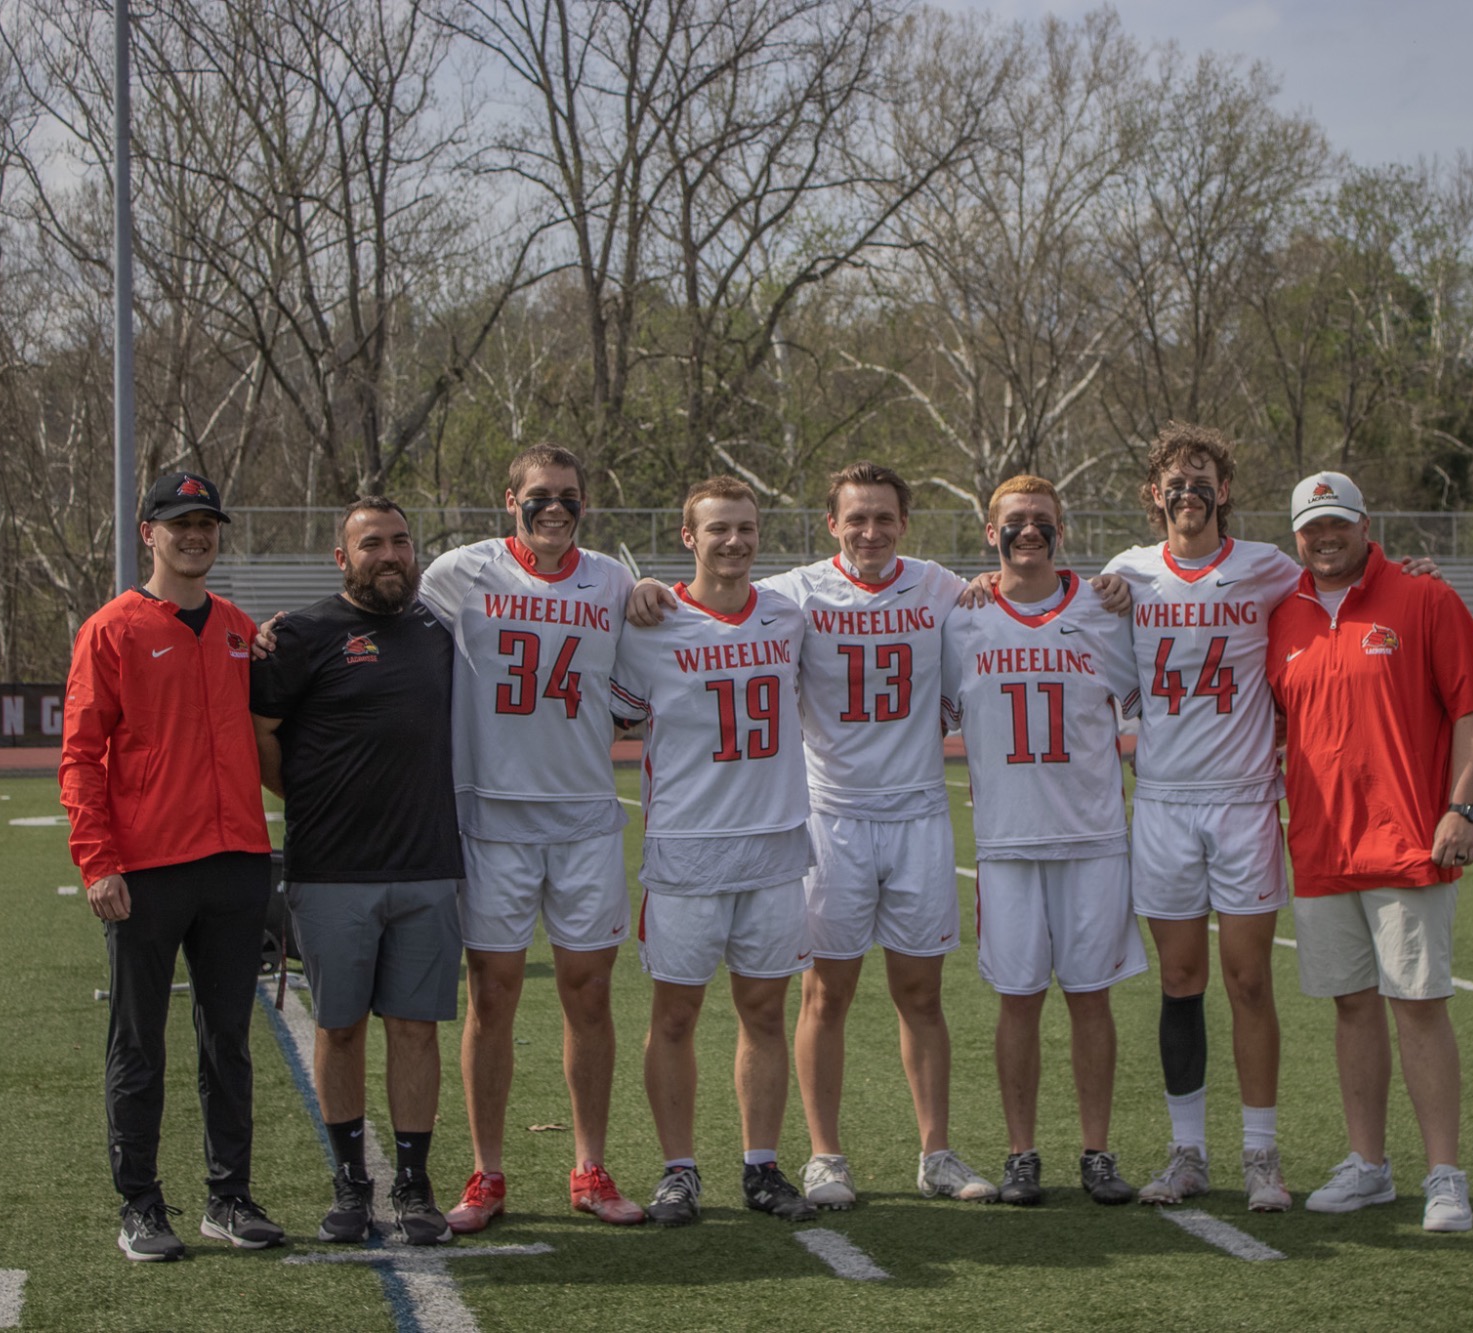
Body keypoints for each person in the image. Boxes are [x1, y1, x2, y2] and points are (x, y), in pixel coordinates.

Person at [625, 462, 1131, 1209]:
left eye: (884, 518)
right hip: (830, 816)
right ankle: (826, 1154)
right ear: (831, 523)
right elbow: (711, 603)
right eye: (856, 518)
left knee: (921, 994)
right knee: (824, 992)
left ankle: (936, 1152)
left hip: (920, 812)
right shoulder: (794, 594)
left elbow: (1018, 587)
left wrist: (1102, 584)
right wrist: (647, 588)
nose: (870, 531)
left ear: (904, 523)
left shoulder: (940, 587)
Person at [1266, 471, 1473, 1234]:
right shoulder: (1284, 615)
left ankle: (1445, 1174)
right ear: (1296, 536)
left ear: (1365, 523)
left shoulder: (1424, 598)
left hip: (1409, 842)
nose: (1325, 536)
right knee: (1349, 1007)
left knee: (1420, 1006)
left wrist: (1463, 807)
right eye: (1312, 527)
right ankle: (1369, 1165)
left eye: (1338, 521)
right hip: (1321, 847)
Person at [416, 446, 646, 1231]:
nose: (555, 508)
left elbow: (637, 675)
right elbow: (385, 622)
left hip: (582, 815)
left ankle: (589, 1164)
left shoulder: (612, 578)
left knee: (589, 992)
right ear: (507, 497)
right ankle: (486, 1171)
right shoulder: (461, 572)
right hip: (492, 819)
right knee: (494, 997)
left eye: (570, 497)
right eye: (539, 495)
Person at [60, 471, 283, 1262]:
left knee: (229, 1038)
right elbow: (81, 756)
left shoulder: (236, 625)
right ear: (147, 532)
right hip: (148, 869)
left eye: (208, 524)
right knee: (138, 1042)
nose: (197, 536)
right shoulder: (112, 629)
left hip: (235, 866)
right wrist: (97, 860)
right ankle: (142, 1205)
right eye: (180, 523)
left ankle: (230, 1195)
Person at [250, 498, 464, 1246]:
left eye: (401, 541)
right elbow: (262, 738)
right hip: (332, 868)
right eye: (371, 543)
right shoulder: (301, 635)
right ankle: (349, 1182)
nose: (390, 554)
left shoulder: (442, 630)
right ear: (341, 558)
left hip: (429, 864)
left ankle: (413, 1180)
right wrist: (311, 799)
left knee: (415, 1028)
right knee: (338, 1028)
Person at [608, 477, 816, 1226]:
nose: (734, 541)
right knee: (675, 1015)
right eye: (718, 529)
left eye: (746, 528)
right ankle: (679, 1169)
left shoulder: (791, 615)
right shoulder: (650, 621)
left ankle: (761, 1164)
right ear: (688, 537)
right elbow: (617, 714)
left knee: (764, 1010)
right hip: (688, 847)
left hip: (772, 845)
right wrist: (637, 592)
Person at [1101, 424, 1298, 1212]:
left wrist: (1409, 579)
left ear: (1225, 489)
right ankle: (1188, 1151)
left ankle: (1260, 1154)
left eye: (1203, 478)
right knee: (1180, 980)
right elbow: (1051, 614)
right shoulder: (1128, 573)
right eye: (1175, 482)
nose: (1189, 492)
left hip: (1245, 798)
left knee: (1249, 980)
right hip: (1164, 802)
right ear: (1155, 496)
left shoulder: (1266, 567)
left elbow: (1336, 590)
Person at [940, 474, 1145, 1207]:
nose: (1030, 533)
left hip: (1093, 837)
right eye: (1015, 522)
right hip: (1006, 842)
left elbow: (1144, 705)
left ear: (1063, 531)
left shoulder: (1103, 609)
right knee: (1018, 998)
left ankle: (1096, 1149)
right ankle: (1021, 1150)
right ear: (990, 532)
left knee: (1091, 998)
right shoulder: (958, 617)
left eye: (1043, 522)